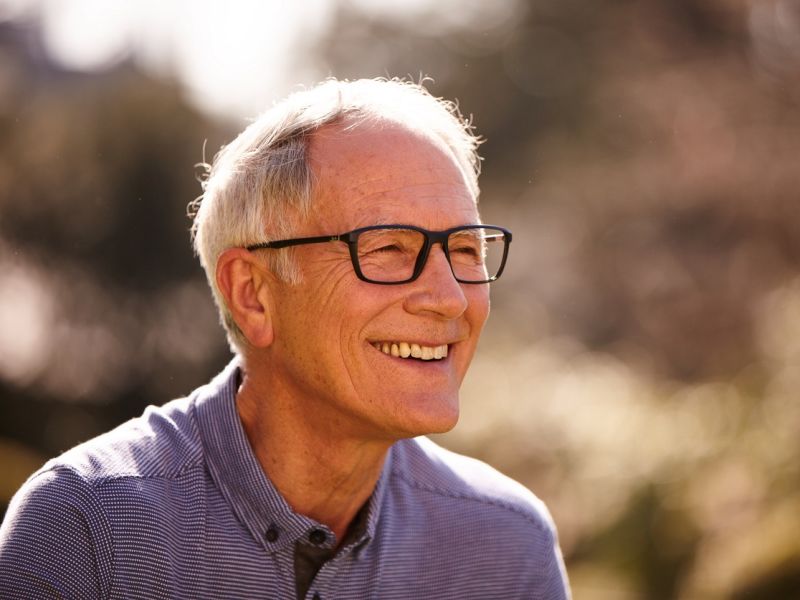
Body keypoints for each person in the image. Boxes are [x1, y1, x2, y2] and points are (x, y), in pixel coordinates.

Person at [0, 78, 570, 599]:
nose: (449, 297)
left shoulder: (508, 547)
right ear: (253, 294)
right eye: (389, 248)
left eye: (466, 250)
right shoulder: (87, 531)